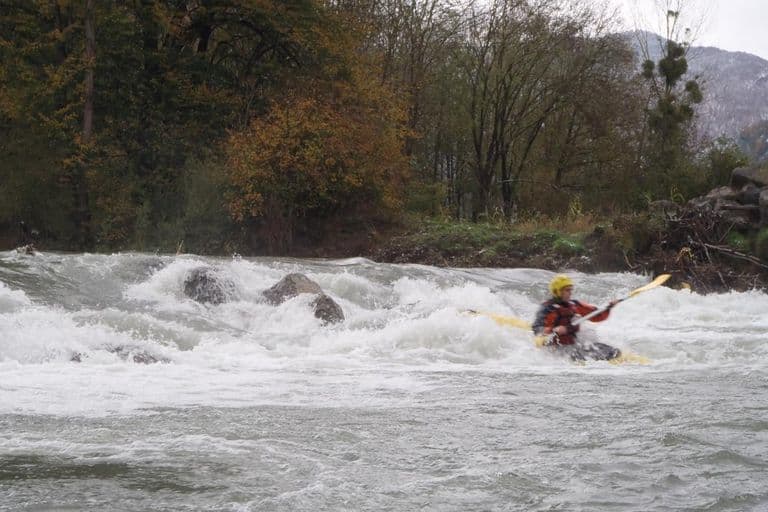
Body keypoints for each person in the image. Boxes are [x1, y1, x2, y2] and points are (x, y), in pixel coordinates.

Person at [532, 274, 620, 361]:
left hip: (573, 345)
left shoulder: (574, 305)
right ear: (558, 292)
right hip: (558, 350)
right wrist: (553, 330)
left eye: (570, 290)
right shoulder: (547, 309)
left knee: (611, 351)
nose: (570, 293)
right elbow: (537, 328)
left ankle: (616, 358)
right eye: (567, 290)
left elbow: (597, 315)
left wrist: (608, 308)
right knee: (582, 354)